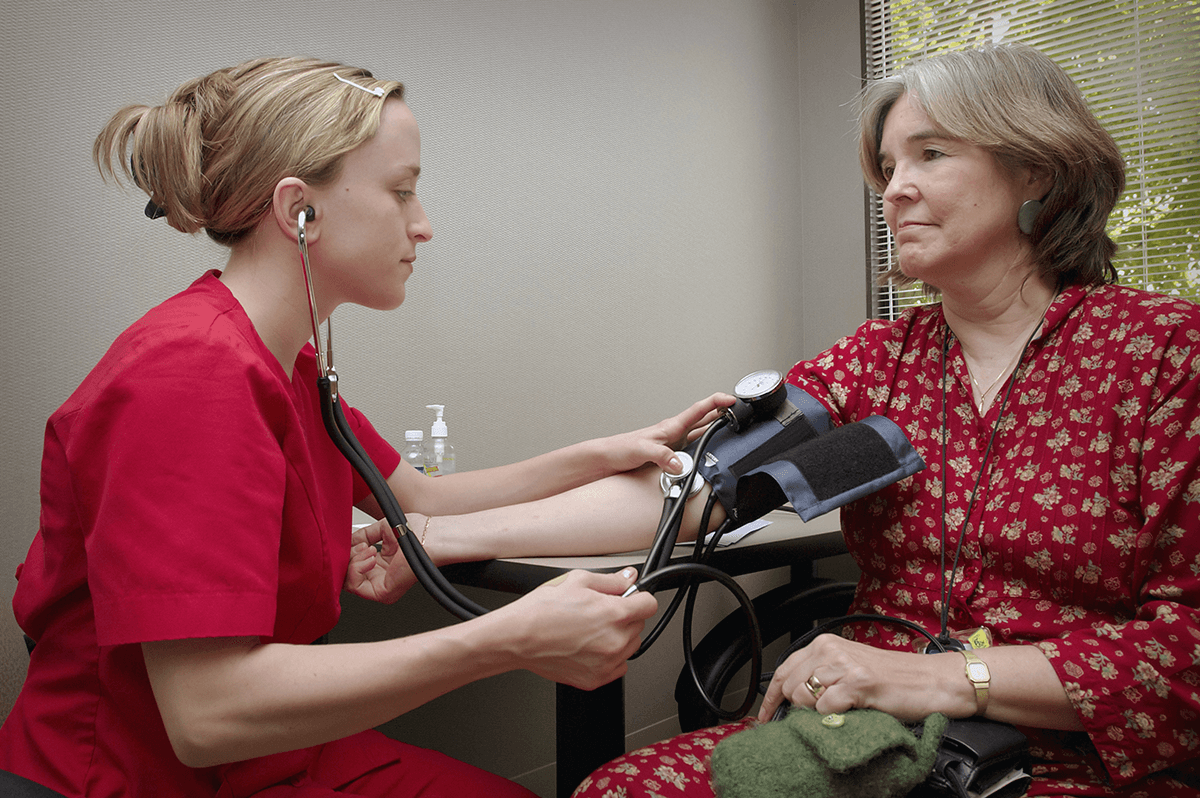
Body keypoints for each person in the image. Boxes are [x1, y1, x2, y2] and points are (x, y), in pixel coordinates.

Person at [0, 57, 734, 798]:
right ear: (299, 211)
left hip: (275, 755)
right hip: (140, 776)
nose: (424, 224)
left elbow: (426, 499)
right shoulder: (189, 373)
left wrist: (602, 451)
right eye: (401, 191)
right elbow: (205, 715)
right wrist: (507, 639)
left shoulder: (280, 363)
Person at [572, 42, 1200, 798]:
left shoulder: (1166, 353)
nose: (895, 190)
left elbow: (1187, 645)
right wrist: (435, 534)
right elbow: (702, 490)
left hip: (1069, 756)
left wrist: (943, 678)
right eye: (888, 169)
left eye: (929, 155)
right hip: (857, 739)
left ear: (1036, 168)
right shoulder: (879, 363)